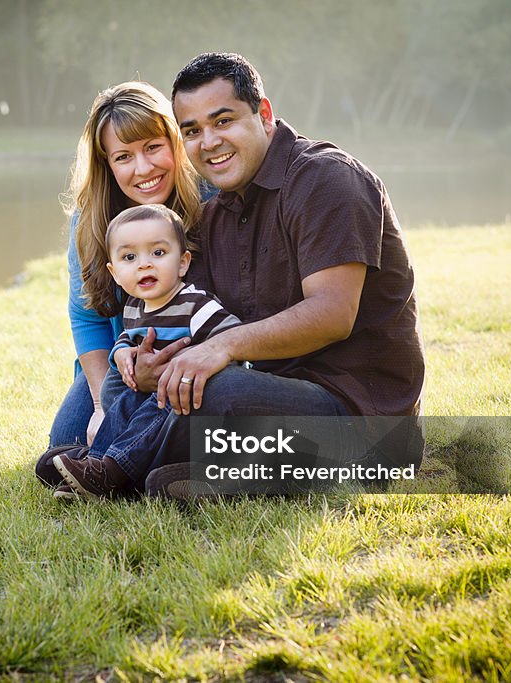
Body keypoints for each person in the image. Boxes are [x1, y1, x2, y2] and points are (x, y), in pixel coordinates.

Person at [123, 52, 426, 499]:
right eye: (192, 131)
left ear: (263, 114)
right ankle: (213, 472)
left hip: (362, 421)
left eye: (222, 121)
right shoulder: (214, 217)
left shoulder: (326, 179)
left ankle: (121, 470)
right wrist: (146, 365)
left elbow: (332, 313)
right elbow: (185, 312)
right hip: (276, 398)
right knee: (169, 384)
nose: (208, 142)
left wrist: (222, 347)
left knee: (221, 390)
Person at [38, 81, 210, 487]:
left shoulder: (208, 200)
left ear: (175, 141)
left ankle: (126, 464)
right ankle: (114, 457)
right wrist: (102, 402)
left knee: (158, 422)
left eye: (153, 147)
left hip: (193, 356)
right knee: (67, 437)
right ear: (107, 164)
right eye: (123, 157)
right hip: (122, 362)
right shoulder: (91, 221)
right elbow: (87, 318)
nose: (143, 169)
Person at [51, 204, 240, 498]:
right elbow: (128, 336)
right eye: (130, 257)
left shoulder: (195, 305)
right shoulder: (136, 306)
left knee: (156, 405)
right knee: (125, 402)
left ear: (183, 263)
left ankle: (112, 471)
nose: (144, 264)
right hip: (146, 390)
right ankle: (95, 466)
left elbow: (233, 340)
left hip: (185, 398)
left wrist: (205, 363)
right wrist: (122, 353)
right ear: (114, 272)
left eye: (159, 253)